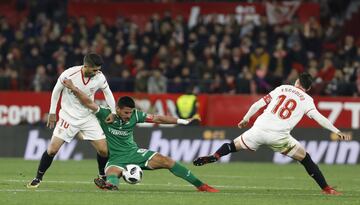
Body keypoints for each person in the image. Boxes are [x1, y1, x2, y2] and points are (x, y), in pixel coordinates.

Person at [193, 72, 350, 195]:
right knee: (305, 159)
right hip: (280, 137)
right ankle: (327, 188)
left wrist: (245, 118)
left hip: (259, 130)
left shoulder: (282, 88)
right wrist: (336, 131)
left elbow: (257, 104)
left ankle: (215, 156)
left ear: (296, 82)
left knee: (231, 146)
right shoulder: (307, 100)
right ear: (308, 88)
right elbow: (319, 118)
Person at [62, 79, 219, 192]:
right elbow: (88, 102)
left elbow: (158, 118)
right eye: (126, 112)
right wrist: (73, 88)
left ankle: (201, 185)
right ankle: (110, 185)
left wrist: (183, 121)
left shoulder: (136, 115)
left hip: (135, 153)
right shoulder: (105, 113)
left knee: (167, 161)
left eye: (131, 112)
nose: (129, 115)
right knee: (112, 175)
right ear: (117, 109)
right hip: (116, 158)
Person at [27, 53, 116, 188]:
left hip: (87, 117)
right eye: (94, 70)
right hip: (68, 117)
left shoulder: (99, 77)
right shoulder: (69, 74)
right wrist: (52, 112)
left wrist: (113, 111)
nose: (97, 72)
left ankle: (102, 176)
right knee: (52, 150)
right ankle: (38, 178)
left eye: (98, 69)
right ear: (86, 66)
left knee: (104, 150)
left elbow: (107, 92)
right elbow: (56, 91)